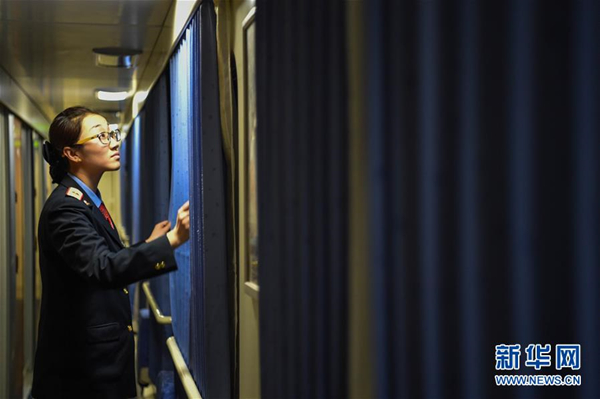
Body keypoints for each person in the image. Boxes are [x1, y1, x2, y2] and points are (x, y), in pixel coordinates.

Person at [31, 106, 190, 398]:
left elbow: (100, 262)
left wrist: (149, 244)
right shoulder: (65, 208)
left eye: (112, 133)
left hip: (96, 364)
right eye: (101, 136)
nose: (114, 142)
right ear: (73, 153)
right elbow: (103, 268)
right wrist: (171, 241)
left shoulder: (86, 200)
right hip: (82, 374)